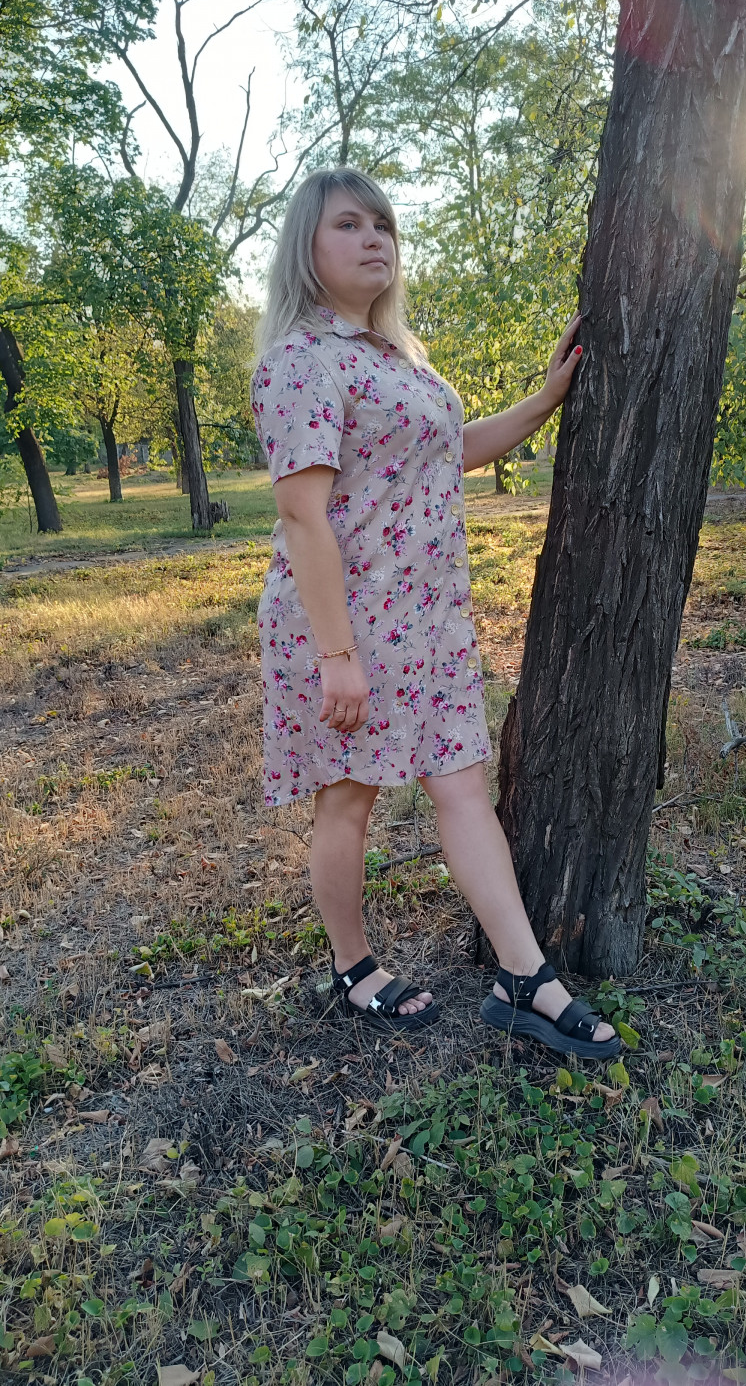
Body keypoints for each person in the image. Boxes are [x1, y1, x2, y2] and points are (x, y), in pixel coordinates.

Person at [250, 166, 619, 1060]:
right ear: (306, 247)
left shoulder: (395, 358)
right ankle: (353, 969)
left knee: (462, 788)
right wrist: (337, 656)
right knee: (349, 800)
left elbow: (451, 450)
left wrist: (545, 400)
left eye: (382, 224)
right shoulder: (300, 360)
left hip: (430, 622)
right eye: (349, 224)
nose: (374, 238)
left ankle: (525, 979)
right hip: (346, 624)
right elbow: (302, 515)